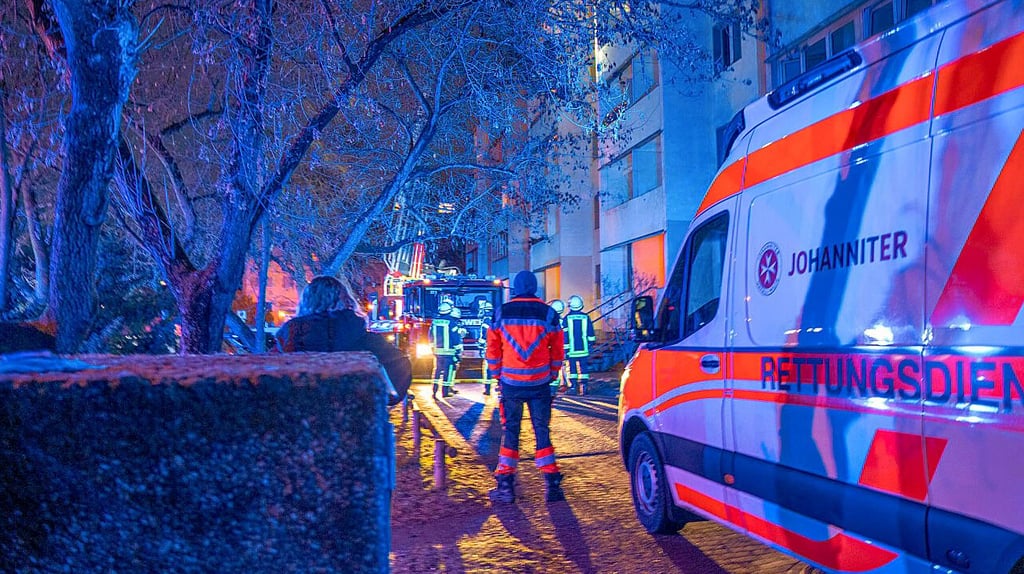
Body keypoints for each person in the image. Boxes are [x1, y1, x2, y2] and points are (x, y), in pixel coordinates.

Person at [486, 271, 566, 503]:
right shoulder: (549, 313)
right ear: (535, 287)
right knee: (542, 430)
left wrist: (497, 375)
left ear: (516, 289)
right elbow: (558, 350)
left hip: (511, 383)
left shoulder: (501, 312)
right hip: (540, 383)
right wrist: (552, 373)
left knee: (511, 432)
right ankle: (552, 484)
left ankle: (506, 485)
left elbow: (493, 349)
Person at [275, 276, 412, 407]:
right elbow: (399, 369)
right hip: (355, 422)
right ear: (347, 301)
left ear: (305, 302)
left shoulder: (289, 340)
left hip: (299, 424)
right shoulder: (369, 342)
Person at [563, 294, 596, 396]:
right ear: (581, 305)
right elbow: (591, 333)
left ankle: (574, 387)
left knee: (572, 369)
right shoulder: (586, 317)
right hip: (584, 349)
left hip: (571, 350)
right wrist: (591, 343)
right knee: (583, 369)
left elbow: (565, 335)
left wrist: (565, 349)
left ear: (570, 305)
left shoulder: (566, 318)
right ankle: (584, 387)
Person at [429, 301, 462, 398]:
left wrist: (432, 347)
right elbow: (455, 338)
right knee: (448, 371)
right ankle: (445, 392)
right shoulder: (452, 322)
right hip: (449, 352)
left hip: (437, 351)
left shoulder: (434, 321)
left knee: (437, 371)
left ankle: (434, 391)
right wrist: (458, 350)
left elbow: (430, 335)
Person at [548, 299, 569, 399]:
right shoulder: (564, 321)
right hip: (563, 348)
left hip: (552, 349)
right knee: (562, 367)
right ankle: (563, 385)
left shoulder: (550, 321)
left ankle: (552, 389)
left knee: (555, 368)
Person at [478, 300, 496, 396]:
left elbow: (484, 334)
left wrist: (480, 344)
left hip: (488, 347)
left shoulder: (486, 320)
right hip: (496, 347)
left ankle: (487, 389)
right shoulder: (495, 318)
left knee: (487, 368)